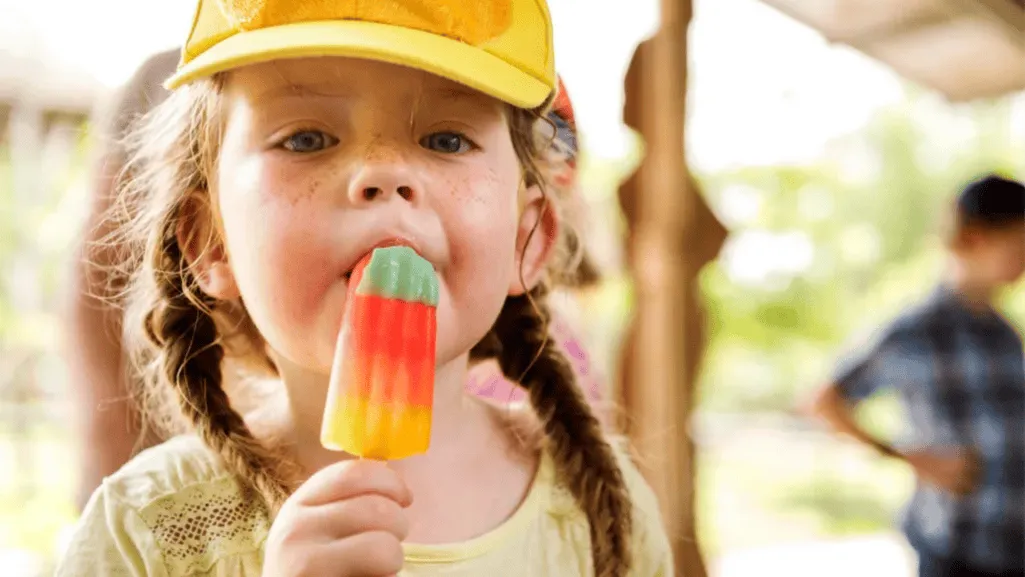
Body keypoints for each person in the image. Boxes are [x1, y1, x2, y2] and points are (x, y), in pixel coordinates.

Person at [56, 1, 672, 576]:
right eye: (306, 139)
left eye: (446, 139)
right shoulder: (145, 529)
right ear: (210, 242)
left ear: (526, 239)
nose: (384, 172)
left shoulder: (604, 513)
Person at [807, 174, 1025, 577]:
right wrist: (912, 458)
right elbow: (825, 401)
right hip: (956, 549)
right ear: (975, 239)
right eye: (1018, 246)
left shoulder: (1006, 334)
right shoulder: (915, 331)